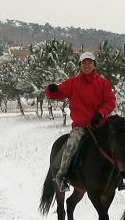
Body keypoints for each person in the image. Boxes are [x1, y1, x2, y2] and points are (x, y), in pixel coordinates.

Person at [45, 51, 116, 192]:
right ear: (80, 65)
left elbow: (110, 101)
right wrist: (51, 91)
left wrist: (100, 113)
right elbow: (57, 93)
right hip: (81, 126)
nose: (87, 65)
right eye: (84, 62)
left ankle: (119, 177)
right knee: (71, 145)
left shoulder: (103, 83)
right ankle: (62, 176)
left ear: (94, 65)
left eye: (90, 62)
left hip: (100, 125)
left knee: (117, 144)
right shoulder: (73, 83)